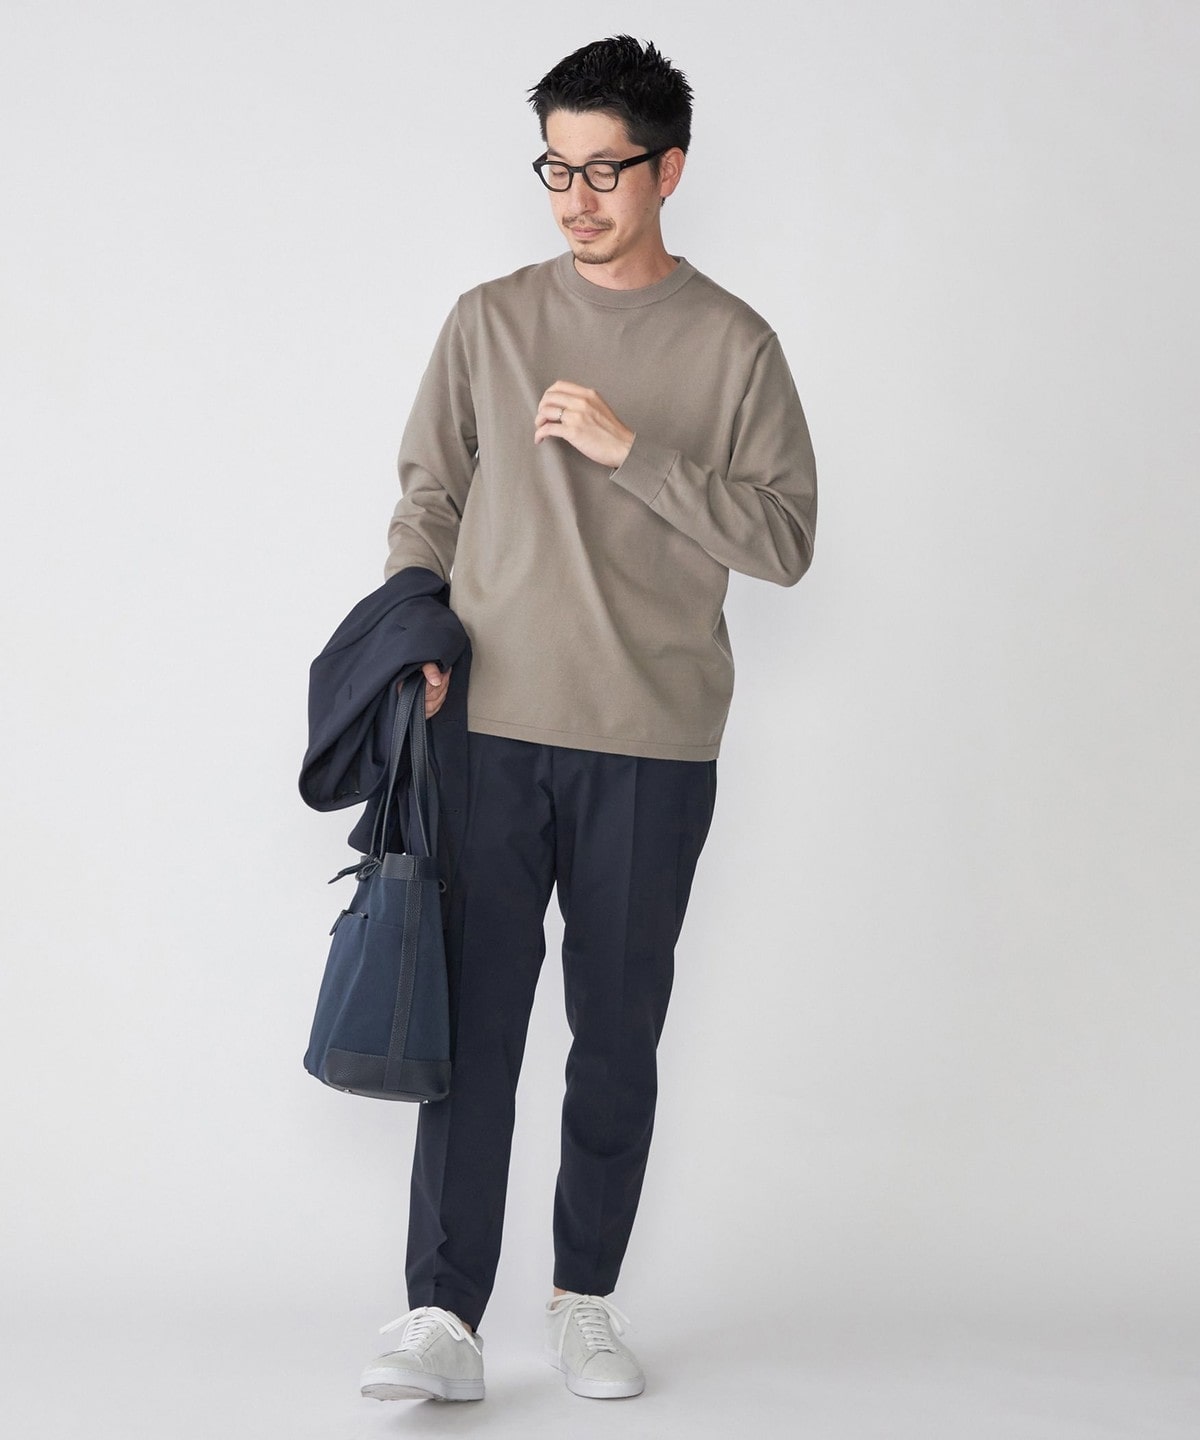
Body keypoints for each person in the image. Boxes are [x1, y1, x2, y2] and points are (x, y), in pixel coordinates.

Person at [357, 33, 817, 1405]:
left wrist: (636, 454)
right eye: (556, 168)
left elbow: (787, 540)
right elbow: (428, 499)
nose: (576, 198)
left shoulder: (735, 345)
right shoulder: (489, 321)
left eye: (605, 170)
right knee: (474, 1035)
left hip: (653, 743)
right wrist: (416, 641)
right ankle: (443, 1316)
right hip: (488, 732)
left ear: (669, 170)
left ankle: (586, 1299)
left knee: (616, 1037)